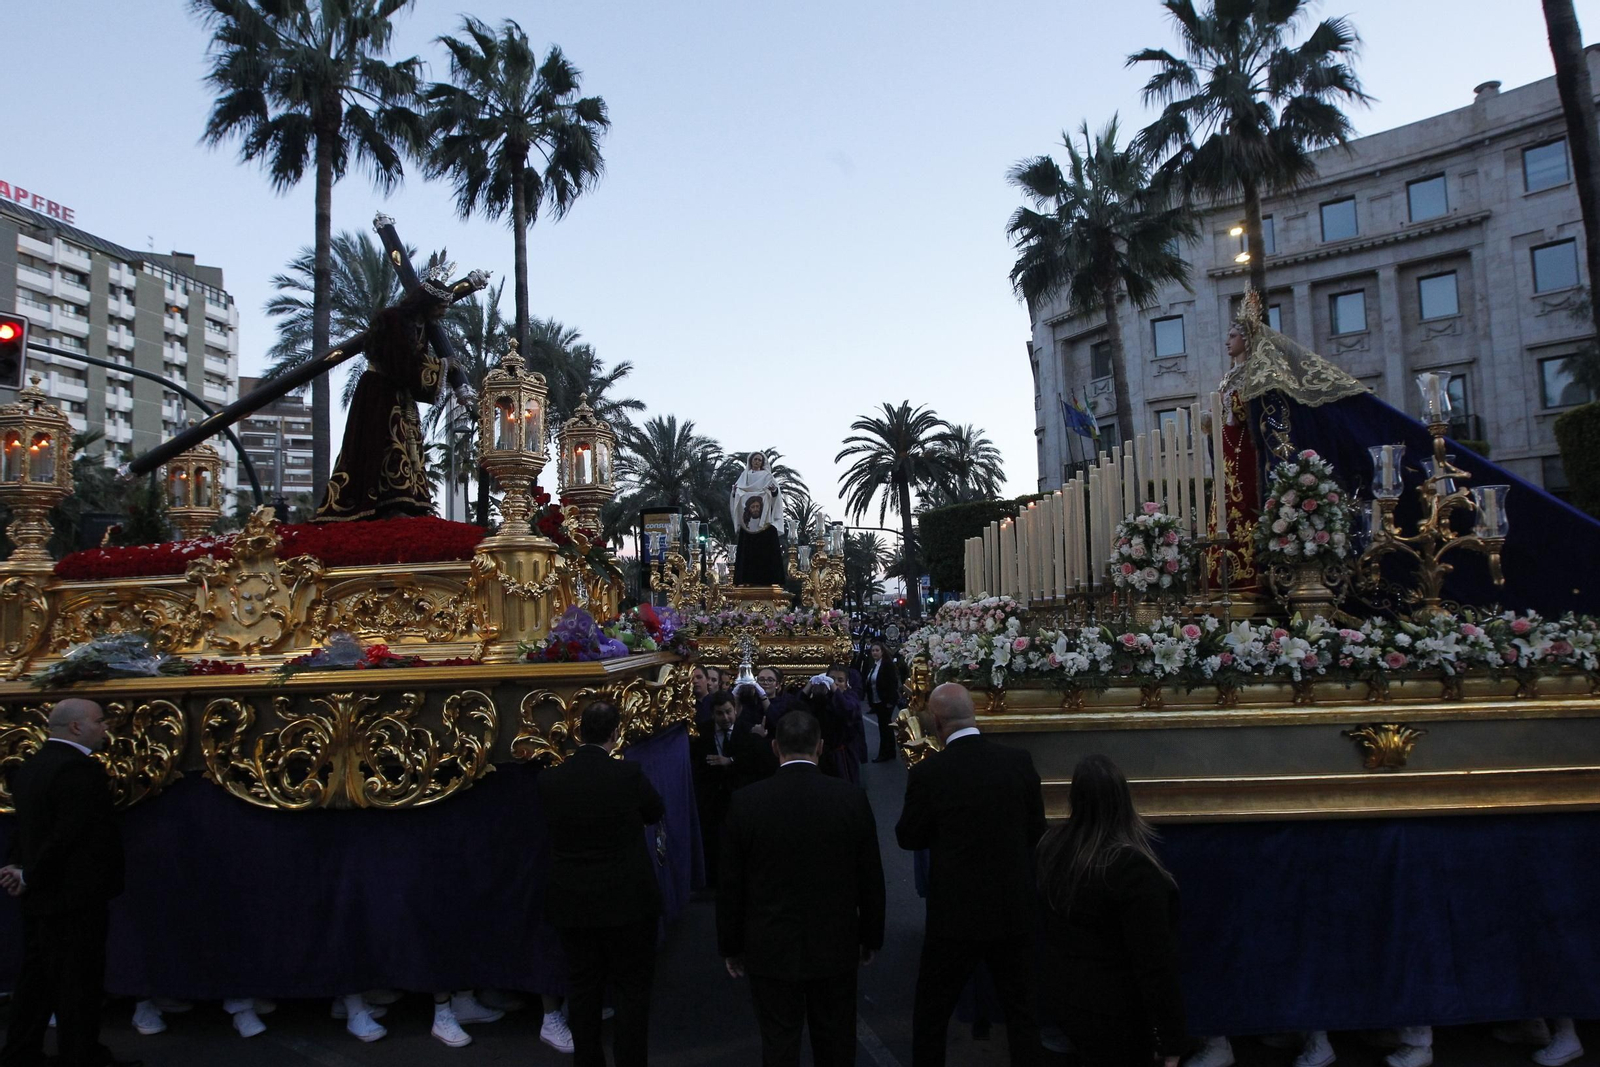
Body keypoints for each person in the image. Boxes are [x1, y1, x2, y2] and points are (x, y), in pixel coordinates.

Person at [718, 710, 885, 1067]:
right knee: (836, 1037)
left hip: (769, 943)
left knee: (779, 1039)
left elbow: (732, 882)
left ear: (775, 746)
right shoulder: (849, 799)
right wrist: (871, 935)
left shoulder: (746, 802)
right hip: (835, 941)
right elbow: (870, 876)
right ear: (820, 747)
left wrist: (731, 944)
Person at [895, 683, 1045, 1067]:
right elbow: (1035, 831)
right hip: (1012, 909)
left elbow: (908, 836)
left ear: (939, 721)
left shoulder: (930, 773)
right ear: (973, 714)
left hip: (954, 916)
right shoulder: (1018, 762)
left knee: (931, 1015)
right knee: (1023, 1013)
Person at [0, 699, 140, 1067]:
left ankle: (20, 1053)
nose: (106, 726)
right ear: (76, 728)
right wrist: (29, 873)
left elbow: (29, 826)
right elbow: (68, 835)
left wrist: (17, 868)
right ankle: (82, 1057)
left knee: (36, 981)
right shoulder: (78, 771)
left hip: (42, 895)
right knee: (78, 983)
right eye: (99, 721)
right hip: (75, 895)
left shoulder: (32, 766)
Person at [538, 701, 666, 1067]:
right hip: (628, 899)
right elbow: (655, 811)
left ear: (579, 733)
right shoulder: (628, 775)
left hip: (573, 899)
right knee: (631, 989)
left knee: (582, 987)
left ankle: (588, 1059)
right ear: (615, 734)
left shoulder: (550, 779)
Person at [1037, 754, 1184, 1067]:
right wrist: (1170, 1039)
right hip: (1117, 1010)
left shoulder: (1052, 848)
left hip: (1068, 998)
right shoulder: (1132, 870)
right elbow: (1154, 962)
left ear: (1074, 798)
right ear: (1124, 800)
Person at [315, 266, 474, 522]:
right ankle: (383, 503)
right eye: (441, 306)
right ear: (428, 302)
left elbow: (412, 362)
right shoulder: (393, 319)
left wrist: (436, 366)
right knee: (385, 442)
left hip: (399, 393)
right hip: (379, 391)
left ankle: (409, 501)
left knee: (407, 441)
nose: (444, 311)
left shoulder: (420, 325)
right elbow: (398, 361)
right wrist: (442, 365)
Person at [691, 690, 775, 885]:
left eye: (729, 712)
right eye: (720, 713)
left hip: (739, 793)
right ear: (712, 713)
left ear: (736, 710)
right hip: (712, 797)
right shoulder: (701, 732)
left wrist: (730, 761)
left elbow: (757, 763)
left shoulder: (748, 731)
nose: (725, 717)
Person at [730, 452, 786, 586]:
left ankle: (770, 581)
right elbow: (736, 494)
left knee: (767, 553)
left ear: (763, 462)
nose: (757, 462)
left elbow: (775, 496)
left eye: (759, 460)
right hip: (748, 525)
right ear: (751, 461)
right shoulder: (744, 477)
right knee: (747, 553)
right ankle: (746, 581)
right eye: (755, 459)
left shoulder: (768, 476)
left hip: (765, 522)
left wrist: (773, 492)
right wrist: (734, 492)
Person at [864, 641, 902, 763]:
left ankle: (884, 753)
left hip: (885, 701)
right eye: (873, 651)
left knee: (884, 727)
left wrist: (890, 701)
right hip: (877, 700)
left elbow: (892, 683)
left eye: (877, 650)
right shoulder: (875, 665)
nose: (874, 653)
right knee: (885, 727)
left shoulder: (886, 665)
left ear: (882, 652)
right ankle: (890, 751)